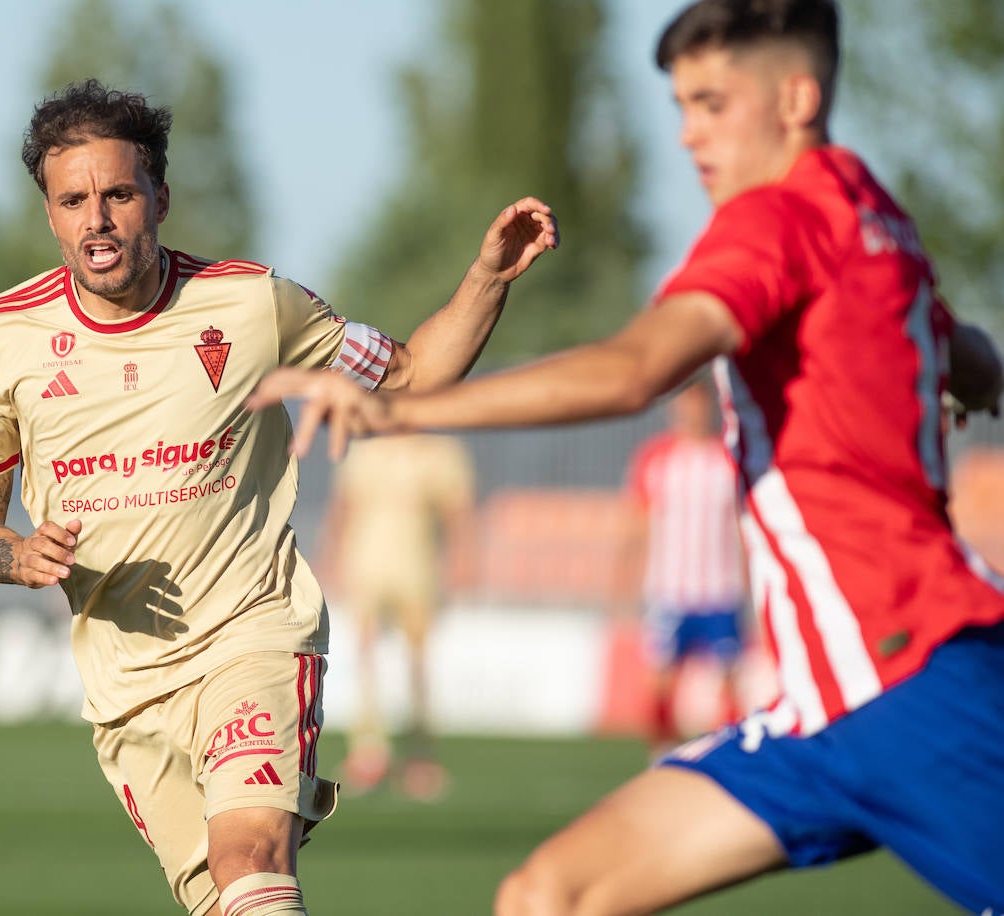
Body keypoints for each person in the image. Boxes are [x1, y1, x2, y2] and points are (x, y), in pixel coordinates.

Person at [247, 1, 1004, 911]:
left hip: (905, 681)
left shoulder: (776, 219)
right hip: (823, 712)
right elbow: (967, 352)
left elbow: (636, 368)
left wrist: (400, 413)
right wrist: (970, 382)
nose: (688, 134)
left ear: (797, 97)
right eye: (680, 105)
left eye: (713, 103)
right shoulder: (873, 213)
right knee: (550, 895)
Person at [0, 79, 557, 916]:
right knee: (231, 902)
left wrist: (488, 277)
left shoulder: (252, 304)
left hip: (255, 635)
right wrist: (15, 555)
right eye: (73, 200)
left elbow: (411, 374)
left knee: (250, 857)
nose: (98, 220)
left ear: (160, 195)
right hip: (128, 688)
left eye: (119, 194)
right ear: (49, 213)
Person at [323, 434, 475, 800]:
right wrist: (330, 555)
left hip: (418, 568)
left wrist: (461, 560)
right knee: (365, 658)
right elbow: (343, 506)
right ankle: (369, 751)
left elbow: (458, 512)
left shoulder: (441, 451)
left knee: (418, 663)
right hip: (366, 565)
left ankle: (419, 754)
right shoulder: (367, 448)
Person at [611, 379, 747, 758]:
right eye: (684, 404)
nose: (691, 412)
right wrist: (622, 588)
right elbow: (636, 526)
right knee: (659, 681)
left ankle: (731, 758)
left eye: (698, 404)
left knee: (731, 681)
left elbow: (743, 526)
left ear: (709, 408)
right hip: (669, 591)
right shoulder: (655, 459)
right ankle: (661, 757)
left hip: (720, 589)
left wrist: (752, 589)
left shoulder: (728, 457)